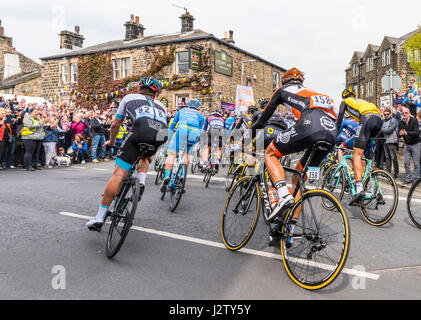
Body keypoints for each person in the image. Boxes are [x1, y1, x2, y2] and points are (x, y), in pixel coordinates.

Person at [252, 68, 338, 222]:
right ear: (301, 81)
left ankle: (283, 194)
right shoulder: (314, 92)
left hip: (310, 124)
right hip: (331, 132)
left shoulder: (282, 90)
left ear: (284, 80)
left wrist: (249, 134)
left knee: (270, 154)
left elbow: (262, 119)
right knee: (298, 179)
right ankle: (289, 229)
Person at [87, 77, 168, 231]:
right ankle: (142, 180)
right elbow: (162, 132)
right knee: (145, 156)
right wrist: (152, 151)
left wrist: (111, 142)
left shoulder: (129, 98)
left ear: (139, 88)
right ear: (156, 93)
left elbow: (116, 124)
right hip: (160, 136)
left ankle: (99, 217)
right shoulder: (162, 106)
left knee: (119, 175)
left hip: (139, 132)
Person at [336, 86, 382, 203]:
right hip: (378, 119)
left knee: (356, 154)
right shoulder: (362, 101)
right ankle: (368, 183)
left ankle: (359, 188)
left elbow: (339, 119)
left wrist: (333, 134)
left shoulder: (345, 102)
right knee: (362, 155)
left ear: (344, 96)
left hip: (367, 119)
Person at [161, 99, 205, 191]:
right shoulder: (201, 115)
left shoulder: (181, 111)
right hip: (194, 132)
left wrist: (167, 142)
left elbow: (171, 127)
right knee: (187, 154)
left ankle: (167, 176)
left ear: (188, 105)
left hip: (182, 129)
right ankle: (182, 175)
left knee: (172, 154)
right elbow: (200, 131)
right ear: (198, 107)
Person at [398, 107, 421, 184]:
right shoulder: (401, 123)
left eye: (406, 113)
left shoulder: (414, 120)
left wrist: (406, 133)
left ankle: (416, 179)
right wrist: (400, 134)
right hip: (407, 144)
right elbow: (398, 134)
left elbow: (416, 133)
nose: (404, 114)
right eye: (403, 113)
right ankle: (408, 178)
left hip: (416, 144)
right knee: (406, 162)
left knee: (416, 163)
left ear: (409, 113)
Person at [381, 108, 399, 179]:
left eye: (387, 114)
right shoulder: (384, 121)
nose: (386, 116)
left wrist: (382, 130)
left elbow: (390, 130)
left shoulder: (393, 120)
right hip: (385, 140)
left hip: (392, 141)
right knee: (387, 157)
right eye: (384, 114)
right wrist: (383, 130)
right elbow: (384, 129)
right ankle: (388, 171)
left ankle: (396, 172)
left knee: (393, 157)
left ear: (390, 114)